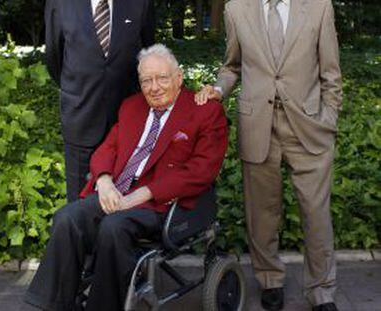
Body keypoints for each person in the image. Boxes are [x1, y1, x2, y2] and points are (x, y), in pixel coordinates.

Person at [24, 44, 228, 311]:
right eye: (146, 80)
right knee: (68, 218)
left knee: (113, 228)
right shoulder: (132, 107)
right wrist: (105, 180)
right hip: (116, 193)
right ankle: (52, 304)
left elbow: (202, 171)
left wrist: (144, 193)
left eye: (162, 78)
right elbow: (107, 148)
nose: (154, 87)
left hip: (162, 203)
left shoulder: (204, 112)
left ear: (178, 78)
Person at [195, 0, 342, 310]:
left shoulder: (319, 7)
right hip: (258, 126)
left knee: (317, 216)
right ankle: (270, 279)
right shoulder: (236, 9)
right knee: (261, 214)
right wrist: (218, 90)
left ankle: (321, 291)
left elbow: (331, 74)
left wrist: (328, 120)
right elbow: (232, 67)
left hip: (309, 127)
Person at [45, 0, 155, 202]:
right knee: (78, 203)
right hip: (81, 118)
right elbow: (54, 57)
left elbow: (149, 55)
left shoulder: (140, 3)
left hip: (125, 123)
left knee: (123, 200)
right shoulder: (60, 3)